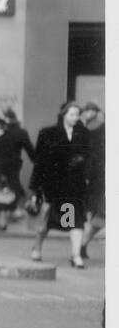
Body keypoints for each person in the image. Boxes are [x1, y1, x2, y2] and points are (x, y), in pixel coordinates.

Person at [29, 101, 91, 269]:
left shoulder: (83, 134)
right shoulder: (48, 133)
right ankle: (37, 248)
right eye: (72, 114)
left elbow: (89, 158)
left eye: (77, 115)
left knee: (75, 221)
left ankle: (76, 256)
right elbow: (39, 162)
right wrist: (35, 187)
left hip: (73, 188)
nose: (75, 118)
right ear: (64, 115)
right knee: (47, 221)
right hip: (52, 186)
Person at [79, 102, 104, 260]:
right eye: (85, 110)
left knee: (95, 216)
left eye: (89, 110)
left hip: (95, 178)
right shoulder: (88, 128)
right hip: (95, 178)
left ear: (95, 112)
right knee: (97, 216)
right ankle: (81, 245)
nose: (86, 113)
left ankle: (81, 245)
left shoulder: (94, 129)